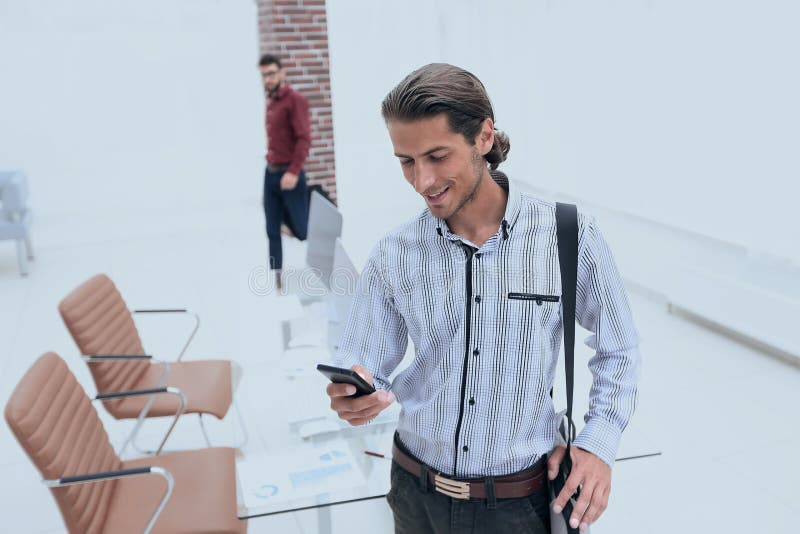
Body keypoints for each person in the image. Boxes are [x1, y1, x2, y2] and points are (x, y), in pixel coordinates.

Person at [326, 63, 642, 534]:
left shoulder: (568, 235)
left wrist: (598, 443)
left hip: (517, 505)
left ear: (484, 137)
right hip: (415, 494)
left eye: (437, 156)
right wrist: (357, 388)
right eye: (406, 162)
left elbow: (620, 348)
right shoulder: (394, 253)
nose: (422, 181)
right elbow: (366, 357)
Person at [259, 54, 312, 290]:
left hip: (290, 174)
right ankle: (277, 282)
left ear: (281, 73)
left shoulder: (294, 100)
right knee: (271, 229)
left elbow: (304, 138)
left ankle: (324, 271)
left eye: (271, 73)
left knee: (302, 229)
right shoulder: (271, 103)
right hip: (270, 174)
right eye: (263, 75)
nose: (267, 79)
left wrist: (293, 172)